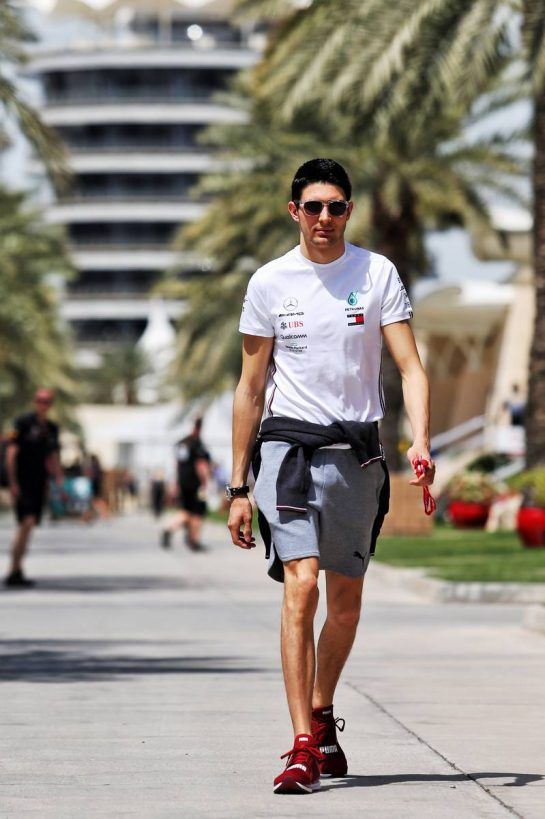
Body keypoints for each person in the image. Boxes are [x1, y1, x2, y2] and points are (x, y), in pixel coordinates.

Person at [227, 158, 435, 794]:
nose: (324, 218)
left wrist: (421, 440)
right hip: (286, 451)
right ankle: (300, 747)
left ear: (350, 211)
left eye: (336, 207)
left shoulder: (376, 275)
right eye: (313, 207)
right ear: (294, 212)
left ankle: (321, 713)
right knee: (303, 586)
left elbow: (411, 368)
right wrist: (238, 486)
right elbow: (250, 387)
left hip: (356, 457)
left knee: (344, 606)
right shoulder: (269, 282)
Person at [4, 388, 64, 588]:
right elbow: (11, 454)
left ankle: (17, 569)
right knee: (26, 523)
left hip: (40, 483)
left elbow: (54, 457)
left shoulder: (52, 428)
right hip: (23, 482)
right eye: (40, 400)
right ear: (34, 401)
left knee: (29, 527)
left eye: (47, 401)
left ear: (51, 404)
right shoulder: (22, 424)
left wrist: (59, 481)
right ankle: (13, 569)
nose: (43, 404)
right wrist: (12, 482)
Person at [161, 418, 211, 552]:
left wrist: (176, 483)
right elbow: (201, 465)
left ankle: (169, 528)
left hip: (183, 482)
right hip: (195, 484)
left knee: (186, 511)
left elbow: (178, 465)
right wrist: (205, 483)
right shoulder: (197, 444)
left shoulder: (181, 443)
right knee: (198, 512)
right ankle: (194, 541)